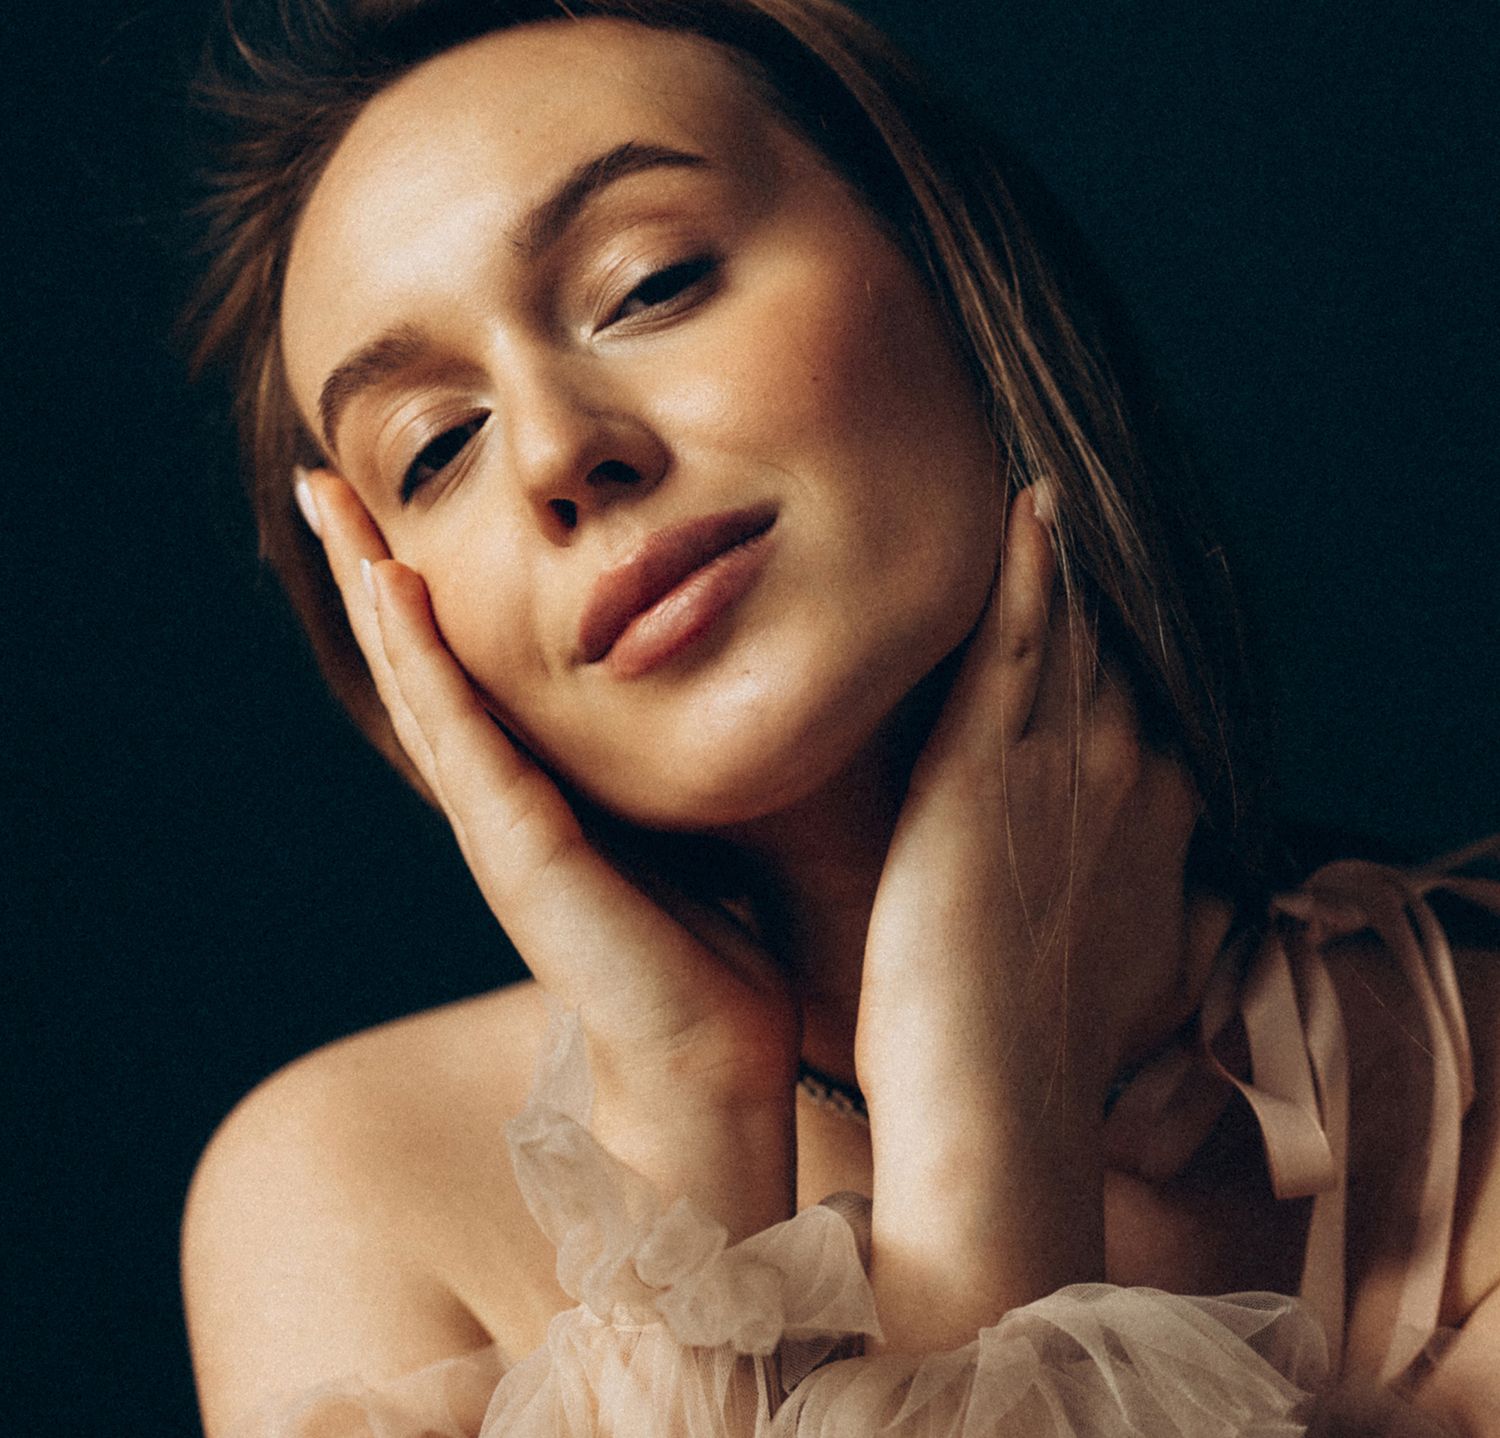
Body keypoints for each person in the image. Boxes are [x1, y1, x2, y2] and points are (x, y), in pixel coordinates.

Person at [179, 1, 1500, 1433]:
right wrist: (699, 1106)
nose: (559, 449)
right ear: (392, 624)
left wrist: (977, 1093)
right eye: (435, 448)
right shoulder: (356, 1192)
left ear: (956, 276)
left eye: (652, 281)